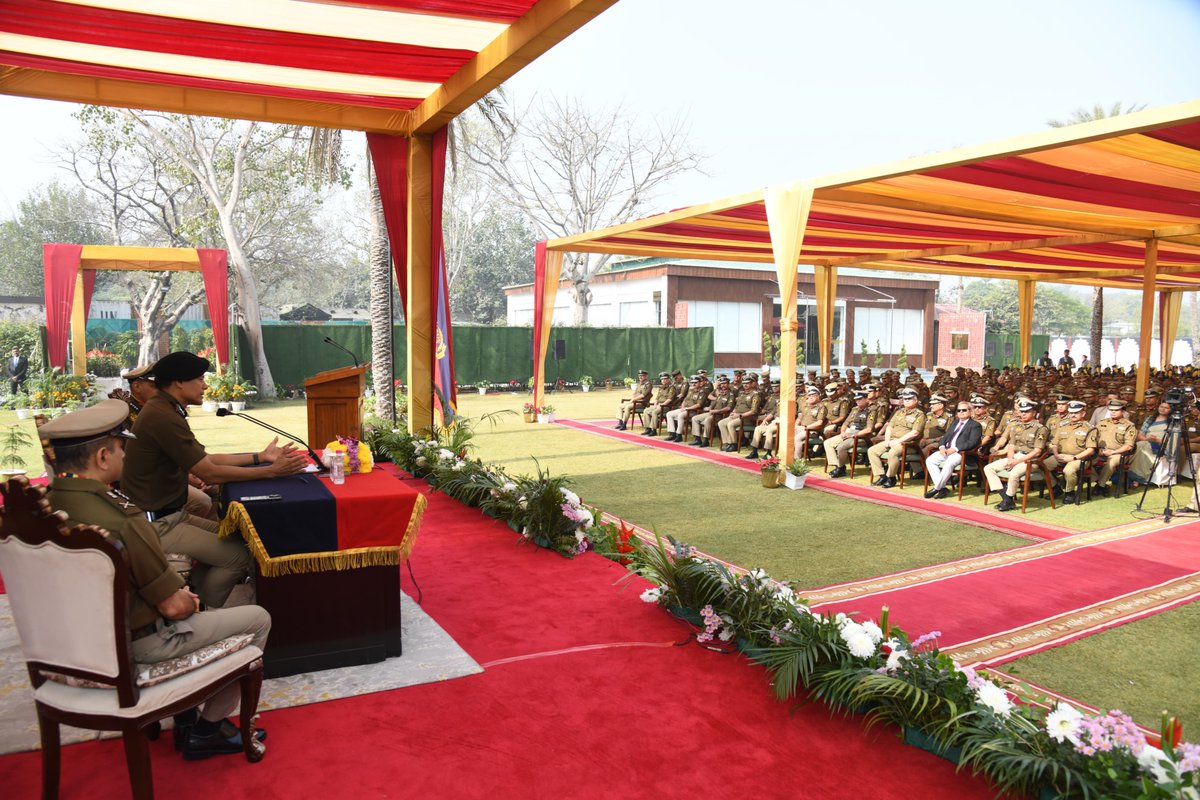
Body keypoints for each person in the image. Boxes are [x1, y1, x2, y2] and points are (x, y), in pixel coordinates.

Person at [40, 400, 271, 760]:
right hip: (136, 648)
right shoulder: (122, 518)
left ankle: (184, 712)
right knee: (257, 618)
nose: (125, 456)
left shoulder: (45, 507)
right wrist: (189, 601)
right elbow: (174, 608)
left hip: (68, 649)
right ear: (103, 457)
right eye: (121, 448)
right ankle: (206, 730)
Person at [122, 351, 308, 607]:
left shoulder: (164, 408)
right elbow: (208, 472)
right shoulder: (162, 416)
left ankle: (196, 595)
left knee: (239, 536)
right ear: (179, 382)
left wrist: (260, 457)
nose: (205, 385)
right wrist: (270, 471)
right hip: (158, 525)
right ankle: (204, 613)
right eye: (199, 379)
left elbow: (206, 459)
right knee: (240, 555)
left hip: (170, 516)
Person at [121, 364, 218, 520]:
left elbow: (182, 448)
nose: (161, 390)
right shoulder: (126, 414)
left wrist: (195, 471)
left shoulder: (164, 407)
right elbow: (138, 460)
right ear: (137, 386)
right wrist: (191, 474)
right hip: (152, 483)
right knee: (202, 501)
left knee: (218, 488)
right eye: (154, 385)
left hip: (176, 470)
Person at [983, 399, 1049, 512]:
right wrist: (1010, 459)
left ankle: (1008, 500)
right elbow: (1012, 446)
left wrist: (1015, 462)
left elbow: (1037, 451)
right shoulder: (1017, 426)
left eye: (1027, 411)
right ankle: (1006, 497)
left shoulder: (1041, 428)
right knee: (988, 468)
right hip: (1015, 457)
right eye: (1022, 411)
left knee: (1014, 473)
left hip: (1030, 460)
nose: (1023, 414)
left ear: (1034, 413)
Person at [867, 388, 925, 488]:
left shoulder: (920, 414)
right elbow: (889, 426)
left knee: (892, 453)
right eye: (905, 398)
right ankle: (881, 476)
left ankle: (891, 477)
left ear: (916, 401)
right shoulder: (899, 412)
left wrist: (898, 441)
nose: (906, 400)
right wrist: (887, 440)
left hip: (907, 444)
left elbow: (915, 433)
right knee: (872, 450)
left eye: (910, 398)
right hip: (892, 440)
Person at [924, 401, 982, 499]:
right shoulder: (955, 423)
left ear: (970, 411)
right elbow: (945, 437)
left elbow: (972, 442)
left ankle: (936, 488)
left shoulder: (975, 425)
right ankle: (942, 488)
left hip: (961, 453)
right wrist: (942, 447)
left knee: (949, 463)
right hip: (946, 450)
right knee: (930, 460)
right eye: (959, 410)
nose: (961, 412)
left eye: (964, 410)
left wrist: (955, 449)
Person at [1042, 400, 1098, 504]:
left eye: (1076, 413)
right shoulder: (1063, 426)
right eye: (1071, 412)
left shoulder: (1089, 428)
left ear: (1083, 413)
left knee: (1068, 470)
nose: (1073, 415)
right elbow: (1054, 443)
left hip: (1080, 458)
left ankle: (1070, 492)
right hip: (1061, 456)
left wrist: (1073, 458)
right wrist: (1056, 454)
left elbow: (1091, 450)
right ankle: (1056, 487)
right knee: (1041, 465)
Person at [823, 390, 877, 478]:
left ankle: (840, 468)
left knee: (841, 447)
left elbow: (869, 429)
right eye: (856, 400)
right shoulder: (855, 410)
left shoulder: (871, 411)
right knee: (827, 443)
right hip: (849, 432)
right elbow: (845, 423)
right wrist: (843, 432)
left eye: (860, 399)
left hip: (861, 436)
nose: (857, 401)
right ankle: (838, 466)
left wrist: (852, 435)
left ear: (866, 399)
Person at [1093, 399, 1137, 497]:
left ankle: (1100, 485)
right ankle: (1100, 482)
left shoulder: (1129, 426)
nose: (1113, 412)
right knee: (1085, 460)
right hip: (1100, 451)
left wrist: (1113, 452)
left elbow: (1129, 445)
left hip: (1119, 453)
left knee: (1111, 462)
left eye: (1116, 410)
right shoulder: (1101, 423)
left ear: (1123, 411)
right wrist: (1097, 450)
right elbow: (1092, 438)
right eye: (1111, 410)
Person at [1129, 400, 1175, 487]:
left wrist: (1157, 440)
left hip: (1162, 446)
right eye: (1161, 406)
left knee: (1141, 445)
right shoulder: (1150, 419)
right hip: (1146, 443)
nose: (1163, 409)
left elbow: (1173, 440)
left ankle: (1133, 472)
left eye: (1166, 408)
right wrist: (1147, 439)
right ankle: (1136, 476)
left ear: (1170, 410)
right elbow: (1140, 434)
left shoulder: (1173, 422)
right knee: (1142, 445)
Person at [718, 376, 761, 451]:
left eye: (747, 383)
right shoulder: (741, 393)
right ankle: (728, 443)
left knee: (730, 424)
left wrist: (740, 415)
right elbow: (737, 406)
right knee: (721, 423)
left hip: (748, 418)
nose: (745, 385)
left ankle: (734, 444)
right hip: (738, 416)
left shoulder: (755, 395)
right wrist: (733, 412)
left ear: (751, 384)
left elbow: (753, 411)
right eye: (744, 383)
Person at [744, 382, 780, 460]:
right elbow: (772, 413)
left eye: (777, 386)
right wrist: (765, 420)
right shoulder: (778, 403)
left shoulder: (791, 403)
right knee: (758, 428)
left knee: (769, 430)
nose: (775, 388)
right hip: (773, 421)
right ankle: (754, 451)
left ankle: (768, 453)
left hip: (780, 423)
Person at [664, 376, 705, 443]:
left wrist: (688, 408)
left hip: (693, 411)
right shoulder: (690, 390)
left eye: (695, 383)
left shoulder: (702, 392)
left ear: (700, 383)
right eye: (692, 383)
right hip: (685, 409)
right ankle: (672, 434)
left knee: (680, 415)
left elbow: (699, 405)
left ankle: (679, 435)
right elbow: (685, 400)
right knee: (669, 414)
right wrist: (683, 407)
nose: (693, 384)